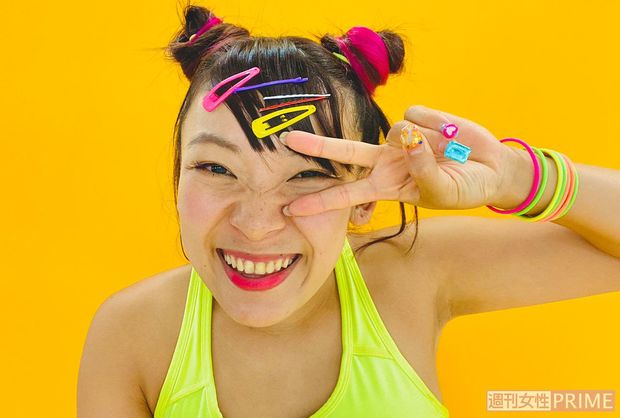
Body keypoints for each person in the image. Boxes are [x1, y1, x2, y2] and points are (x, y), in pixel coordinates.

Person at [77, 4, 620, 418]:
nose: (257, 224)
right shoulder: (131, 334)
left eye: (307, 175)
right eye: (217, 169)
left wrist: (515, 177)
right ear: (178, 174)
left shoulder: (412, 273)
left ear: (364, 199)